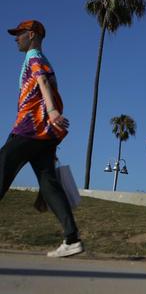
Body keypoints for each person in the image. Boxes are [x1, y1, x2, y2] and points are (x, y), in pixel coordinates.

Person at [0, 20, 83, 257]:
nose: (16, 38)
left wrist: (53, 111)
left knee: (2, 165)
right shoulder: (42, 60)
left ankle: (72, 238)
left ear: (33, 35)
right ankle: (72, 239)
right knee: (48, 184)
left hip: (30, 128)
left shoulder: (34, 56)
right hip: (44, 134)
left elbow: (43, 81)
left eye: (20, 33)